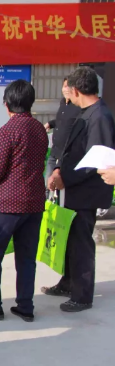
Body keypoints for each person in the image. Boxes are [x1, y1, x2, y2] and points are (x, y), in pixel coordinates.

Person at [0, 80, 48, 322]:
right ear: (30, 102)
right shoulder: (40, 130)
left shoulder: (5, 132)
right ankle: (25, 306)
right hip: (34, 202)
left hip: (8, 203)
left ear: (6, 104)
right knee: (26, 257)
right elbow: (25, 162)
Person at [43, 67, 115, 312]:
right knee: (69, 240)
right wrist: (58, 169)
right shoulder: (85, 113)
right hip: (73, 189)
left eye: (67, 88)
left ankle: (82, 296)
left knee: (81, 244)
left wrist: (65, 178)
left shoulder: (100, 116)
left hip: (86, 193)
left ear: (75, 90)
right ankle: (68, 283)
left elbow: (95, 161)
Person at [44, 78, 82, 187]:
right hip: (54, 151)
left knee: (60, 186)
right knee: (47, 184)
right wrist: (49, 124)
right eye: (64, 86)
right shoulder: (63, 103)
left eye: (69, 86)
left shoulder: (77, 106)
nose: (66, 89)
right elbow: (61, 120)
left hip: (66, 154)